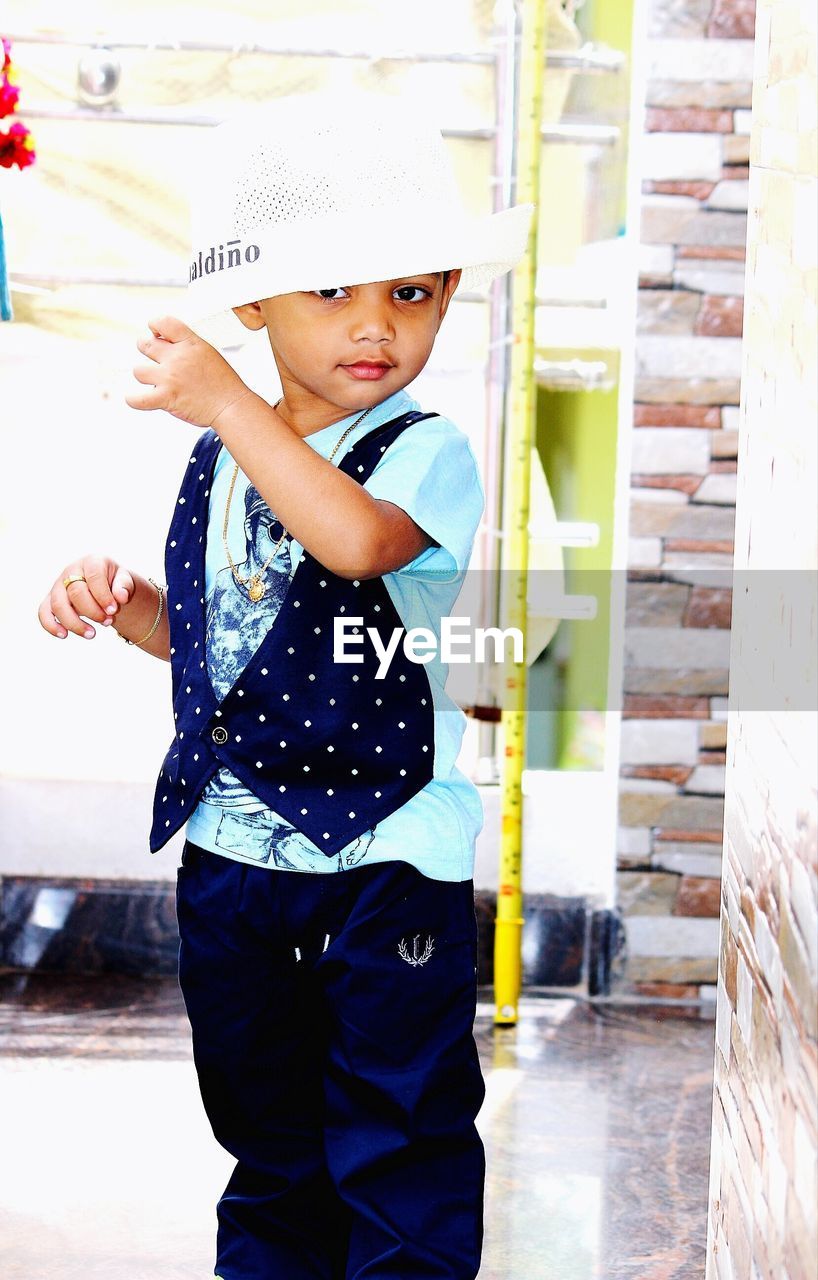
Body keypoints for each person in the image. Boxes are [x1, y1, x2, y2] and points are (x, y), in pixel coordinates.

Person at [37, 89, 532, 1280]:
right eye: (334, 291)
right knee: (267, 1139)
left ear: (446, 300)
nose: (376, 327)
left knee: (395, 1130)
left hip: (382, 863)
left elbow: (353, 543)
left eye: (411, 292)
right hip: (234, 861)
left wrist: (230, 402)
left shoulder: (422, 451)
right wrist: (127, 607)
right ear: (253, 303)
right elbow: (231, 638)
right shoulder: (222, 454)